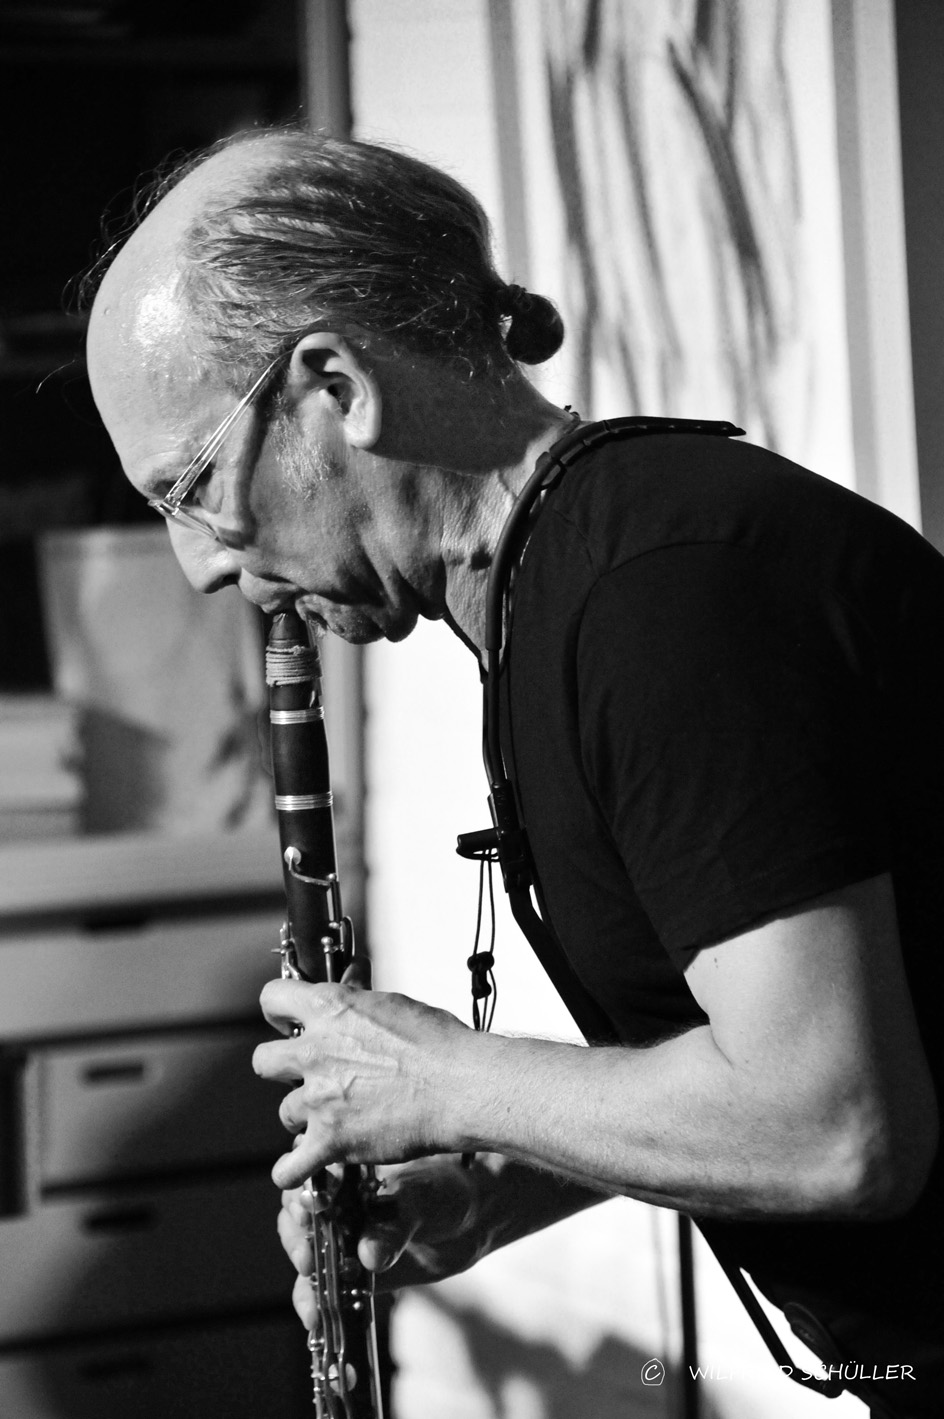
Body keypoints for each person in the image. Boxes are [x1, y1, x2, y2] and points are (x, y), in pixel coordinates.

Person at [85, 128, 943, 1419]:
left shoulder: (666, 595)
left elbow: (836, 1129)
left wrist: (445, 1082)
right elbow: (784, 1042)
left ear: (335, 384)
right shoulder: (569, 584)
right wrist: (503, 1180)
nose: (201, 564)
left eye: (193, 487)